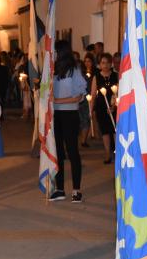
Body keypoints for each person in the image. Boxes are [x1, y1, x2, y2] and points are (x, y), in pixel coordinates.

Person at [49, 40, 87, 202]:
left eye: (55, 51)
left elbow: (78, 97)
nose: (54, 54)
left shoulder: (74, 70)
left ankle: (76, 189)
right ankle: (59, 188)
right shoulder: (54, 70)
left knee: (72, 152)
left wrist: (56, 101)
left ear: (62, 52)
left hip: (70, 116)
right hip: (56, 116)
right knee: (57, 152)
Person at [90, 53, 118, 164]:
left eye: (107, 62)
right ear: (99, 65)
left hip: (114, 106)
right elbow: (93, 94)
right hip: (101, 106)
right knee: (105, 132)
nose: (105, 65)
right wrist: (91, 110)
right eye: (103, 63)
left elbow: (119, 92)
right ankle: (107, 153)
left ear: (111, 63)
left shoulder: (116, 75)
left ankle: (117, 152)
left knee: (115, 130)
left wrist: (113, 106)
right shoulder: (96, 77)